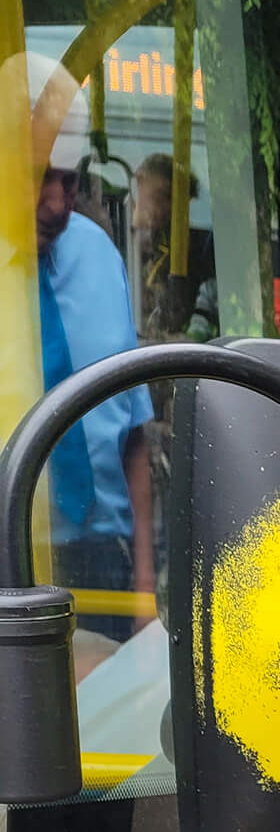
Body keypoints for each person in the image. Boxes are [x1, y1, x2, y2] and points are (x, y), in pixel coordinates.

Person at [33, 57, 153, 627]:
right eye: (38, 176)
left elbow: (134, 436)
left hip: (106, 565)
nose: (57, 203)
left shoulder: (99, 255)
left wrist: (146, 595)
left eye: (69, 179)